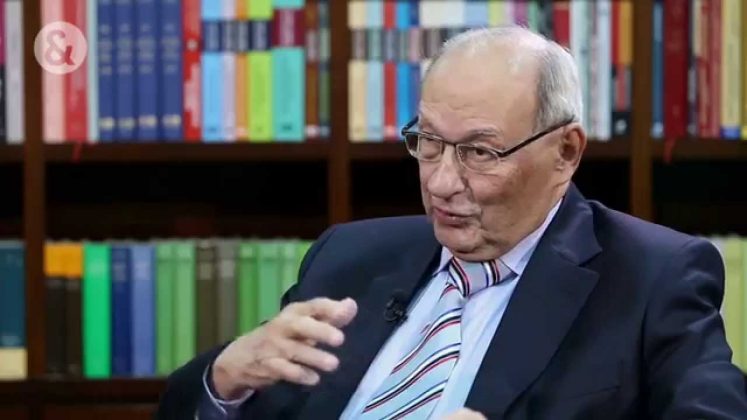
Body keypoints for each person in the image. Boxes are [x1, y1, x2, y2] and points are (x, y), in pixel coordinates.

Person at [157, 26, 747, 419]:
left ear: (566, 151)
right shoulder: (349, 256)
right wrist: (223, 380)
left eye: (480, 152)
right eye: (429, 142)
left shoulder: (651, 278)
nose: (440, 182)